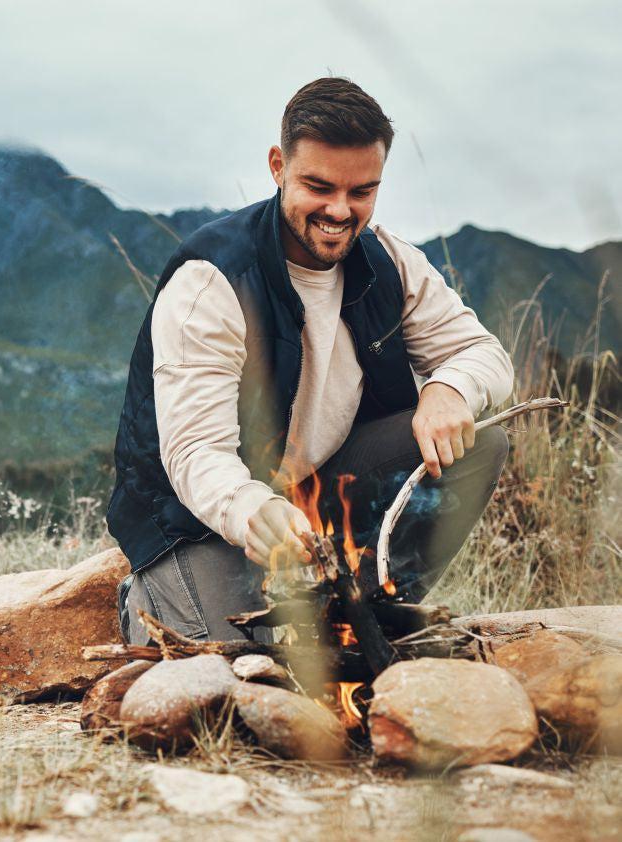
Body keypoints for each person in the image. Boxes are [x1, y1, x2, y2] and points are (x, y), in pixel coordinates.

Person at [106, 78, 514, 645]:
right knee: (241, 671)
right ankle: (150, 594)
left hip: (320, 491)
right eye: (318, 186)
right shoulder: (212, 282)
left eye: (362, 192)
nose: (340, 211)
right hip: (201, 518)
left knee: (480, 445)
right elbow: (195, 453)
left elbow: (481, 352)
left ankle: (359, 619)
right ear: (278, 166)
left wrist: (450, 389)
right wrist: (253, 509)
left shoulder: (392, 261)